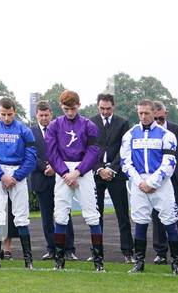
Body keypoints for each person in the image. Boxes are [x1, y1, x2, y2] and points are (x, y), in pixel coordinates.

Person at [120, 99, 178, 275]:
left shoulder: (167, 135)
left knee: (170, 221)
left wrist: (153, 182)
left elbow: (170, 162)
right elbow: (125, 162)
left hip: (161, 185)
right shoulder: (129, 134)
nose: (143, 116)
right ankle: (139, 263)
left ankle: (176, 263)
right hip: (138, 184)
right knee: (140, 221)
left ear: (154, 113)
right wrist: (139, 182)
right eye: (140, 113)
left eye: (147, 113)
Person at [45, 91, 104, 270]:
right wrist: (64, 172)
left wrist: (78, 172)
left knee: (92, 215)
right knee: (60, 215)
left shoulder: (89, 125)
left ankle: (98, 261)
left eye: (72, 108)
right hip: (63, 171)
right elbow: (51, 151)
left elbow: (94, 151)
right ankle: (59, 260)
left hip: (83, 172)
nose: (70, 112)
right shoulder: (54, 125)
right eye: (66, 109)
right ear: (61, 107)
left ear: (78, 105)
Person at [0, 97, 36, 269]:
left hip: (17, 171)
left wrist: (17, 176)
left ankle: (28, 260)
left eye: (9, 114)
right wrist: (0, 174)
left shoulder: (24, 130)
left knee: (21, 215)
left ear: (15, 111)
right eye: (3, 114)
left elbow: (31, 156)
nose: (6, 118)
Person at [29, 101, 75, 260]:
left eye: (46, 115)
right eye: (40, 115)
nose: (43, 118)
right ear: (36, 116)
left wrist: (55, 167)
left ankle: (69, 250)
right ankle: (51, 249)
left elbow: (66, 150)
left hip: (60, 176)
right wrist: (45, 168)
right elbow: (30, 155)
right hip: (41, 178)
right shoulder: (31, 132)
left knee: (64, 215)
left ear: (51, 114)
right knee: (47, 218)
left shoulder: (61, 129)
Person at [92, 93, 135, 263]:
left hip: (116, 174)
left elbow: (124, 149)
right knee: (96, 215)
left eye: (108, 108)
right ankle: (97, 251)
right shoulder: (91, 123)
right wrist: (99, 169)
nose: (105, 112)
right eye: (102, 108)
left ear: (113, 107)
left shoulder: (123, 123)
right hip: (96, 174)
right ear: (98, 107)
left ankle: (128, 252)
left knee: (122, 215)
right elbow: (89, 149)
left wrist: (112, 168)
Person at [150, 101, 178, 265]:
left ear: (166, 113)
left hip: (175, 179)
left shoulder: (177, 130)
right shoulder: (147, 132)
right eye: (156, 119)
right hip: (156, 180)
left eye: (161, 118)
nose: (159, 122)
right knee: (157, 216)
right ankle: (160, 252)